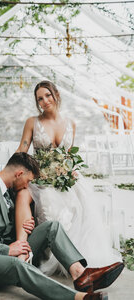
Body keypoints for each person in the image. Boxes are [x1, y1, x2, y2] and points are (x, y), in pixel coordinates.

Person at [0, 152, 123, 300]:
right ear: (19, 174)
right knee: (18, 266)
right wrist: (8, 249)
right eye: (28, 181)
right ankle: (77, 298)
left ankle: (81, 274)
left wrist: (28, 226)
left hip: (1, 248)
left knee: (52, 227)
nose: (28, 186)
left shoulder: (6, 189)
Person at [15, 80, 122, 275]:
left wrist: (70, 170)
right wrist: (12, 173)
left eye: (48, 95)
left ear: (56, 94)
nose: (45, 101)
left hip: (65, 176)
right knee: (49, 200)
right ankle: (57, 257)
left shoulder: (71, 123)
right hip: (41, 178)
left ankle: (84, 259)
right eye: (40, 98)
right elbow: (22, 150)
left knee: (82, 202)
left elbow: (69, 156)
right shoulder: (32, 122)